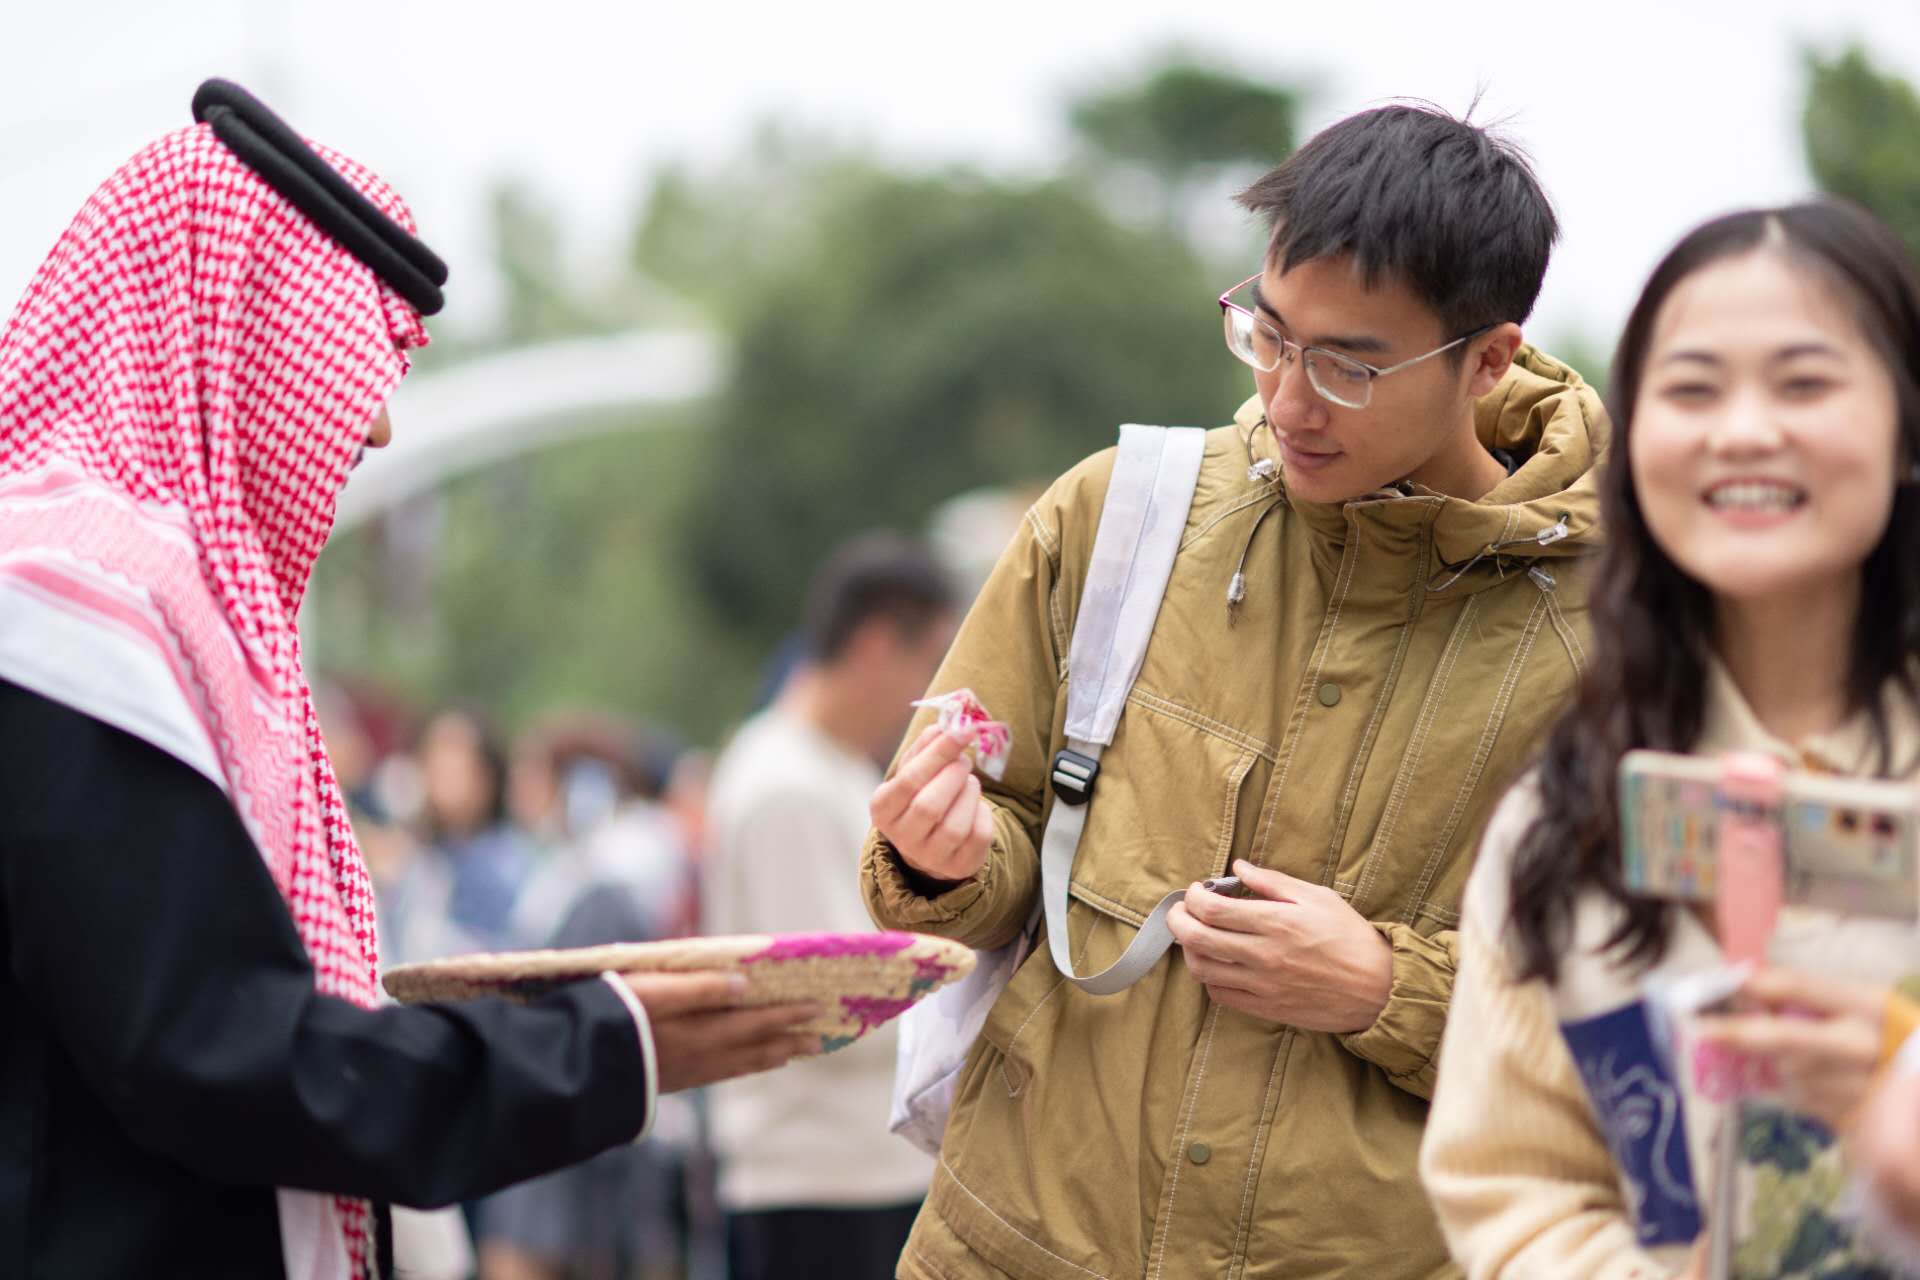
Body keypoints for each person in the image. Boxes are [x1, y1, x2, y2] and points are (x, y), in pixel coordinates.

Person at [0, 81, 815, 1278]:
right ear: (231, 336)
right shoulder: (74, 616)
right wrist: (608, 1049)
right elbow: (220, 1052)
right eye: (342, 360)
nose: (373, 432)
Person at [863, 104, 1603, 1280]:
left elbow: (1634, 1026)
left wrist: (1385, 987)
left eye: (1352, 365)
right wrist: (942, 856)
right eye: (1267, 334)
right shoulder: (1123, 515)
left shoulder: (1608, 636)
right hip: (1014, 1245)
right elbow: (1003, 858)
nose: (1292, 397)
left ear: (1490, 359)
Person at [1420, 199, 1920, 1278]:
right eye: (1692, 388)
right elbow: (1515, 1186)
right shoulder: (1567, 817)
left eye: (1804, 381)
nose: (1743, 429)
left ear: (1906, 427)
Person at [706, 534, 958, 1280]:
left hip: (848, 1168)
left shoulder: (829, 770)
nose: (935, 688)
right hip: (816, 1178)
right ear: (879, 644)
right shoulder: (785, 782)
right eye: (932, 660)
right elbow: (831, 997)